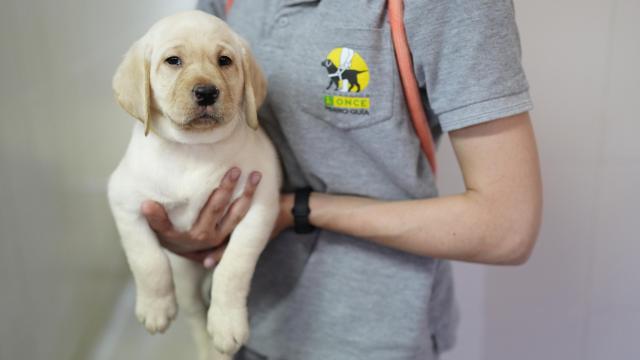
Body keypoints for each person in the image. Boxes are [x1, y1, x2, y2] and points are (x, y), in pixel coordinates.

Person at [141, 0, 542, 359]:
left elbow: (506, 227)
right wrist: (185, 228)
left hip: (371, 335)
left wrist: (297, 210)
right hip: (244, 321)